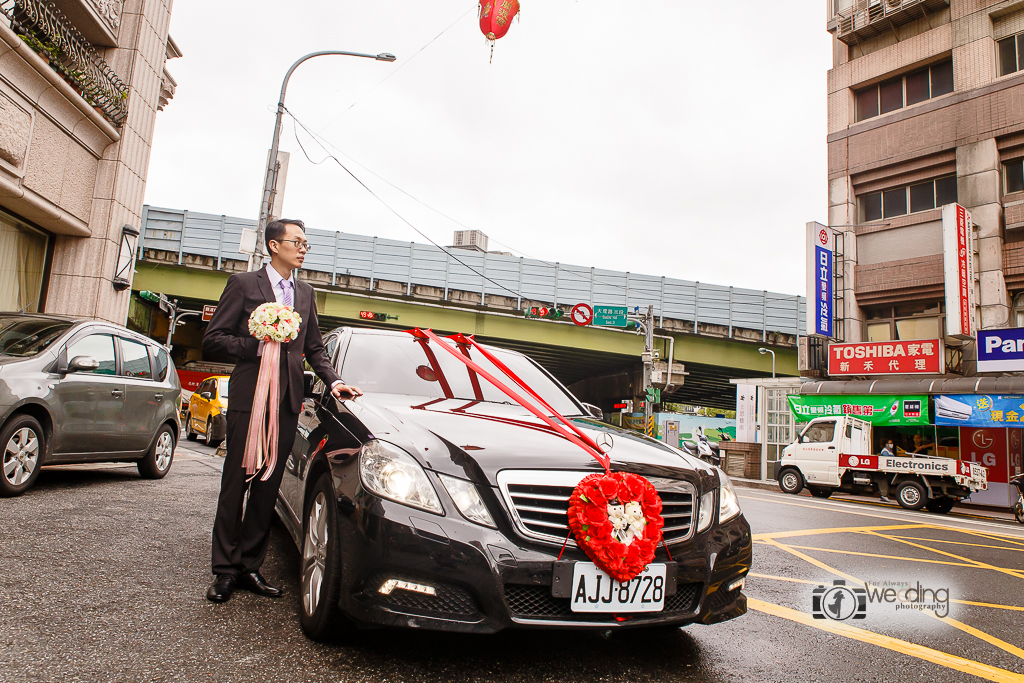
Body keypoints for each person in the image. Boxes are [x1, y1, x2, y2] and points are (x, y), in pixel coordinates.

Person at [203, 218, 362, 603]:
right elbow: (214, 340)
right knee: (236, 482)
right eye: (297, 241)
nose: (304, 248)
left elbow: (314, 349)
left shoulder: (305, 293)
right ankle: (224, 571)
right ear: (274, 246)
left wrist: (334, 380)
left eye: (306, 242)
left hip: (287, 401)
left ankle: (249, 567)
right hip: (249, 398)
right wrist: (259, 345)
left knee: (267, 486)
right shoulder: (243, 285)